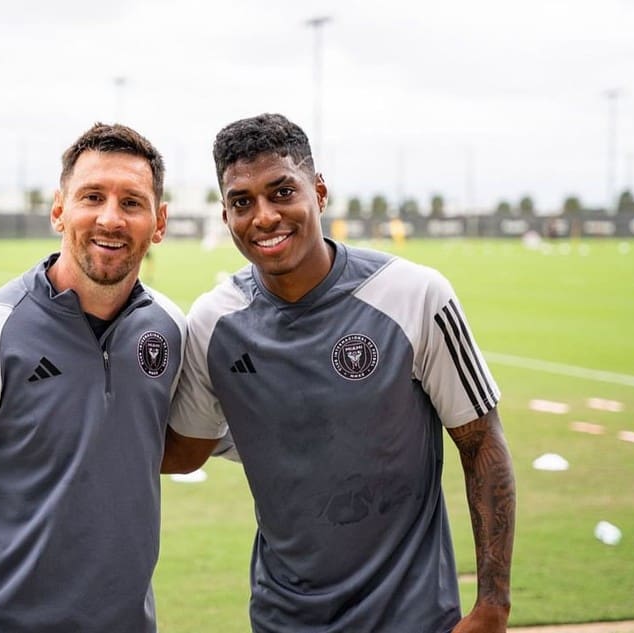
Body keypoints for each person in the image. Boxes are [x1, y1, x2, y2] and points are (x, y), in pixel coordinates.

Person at [163, 113, 515, 633]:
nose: (263, 216)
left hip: (412, 618)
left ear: (319, 192)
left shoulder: (414, 295)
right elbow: (184, 450)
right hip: (284, 619)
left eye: (282, 191)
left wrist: (493, 604)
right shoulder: (215, 322)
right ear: (226, 214)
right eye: (242, 202)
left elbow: (482, 442)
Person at [0, 122, 185, 633]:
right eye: (92, 197)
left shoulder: (170, 327)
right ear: (58, 210)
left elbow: (220, 427)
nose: (110, 218)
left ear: (158, 222)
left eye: (132, 203)